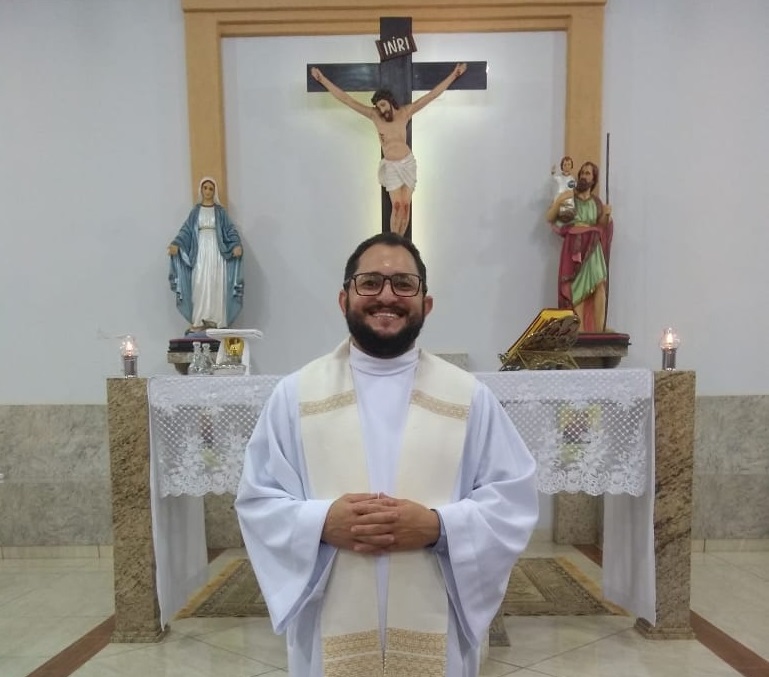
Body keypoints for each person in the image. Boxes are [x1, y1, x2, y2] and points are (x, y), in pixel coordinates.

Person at [235, 232, 539, 677]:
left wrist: (438, 527)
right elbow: (258, 500)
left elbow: (512, 501)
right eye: (370, 282)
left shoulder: (470, 398)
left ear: (426, 304)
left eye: (403, 284)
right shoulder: (295, 396)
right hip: (329, 626)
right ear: (344, 299)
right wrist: (322, 523)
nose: (387, 296)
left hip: (435, 631)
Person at [310, 64, 468, 236]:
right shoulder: (375, 116)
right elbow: (347, 100)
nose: (382, 109)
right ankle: (394, 239)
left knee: (406, 206)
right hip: (391, 165)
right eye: (379, 107)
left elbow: (431, 96)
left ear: (391, 102)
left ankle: (401, 242)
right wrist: (322, 79)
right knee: (397, 206)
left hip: (407, 163)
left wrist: (454, 75)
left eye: (384, 105)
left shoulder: (405, 112)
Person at [167, 177, 244, 332]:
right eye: (205, 188)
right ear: (201, 190)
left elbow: (230, 230)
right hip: (200, 251)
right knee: (199, 282)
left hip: (217, 251)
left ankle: (217, 320)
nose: (208, 191)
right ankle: (199, 320)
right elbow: (186, 231)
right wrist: (176, 244)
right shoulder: (195, 212)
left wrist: (236, 245)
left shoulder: (220, 212)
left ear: (214, 192)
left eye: (211, 188)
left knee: (216, 282)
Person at [545, 161, 614, 332]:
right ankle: (581, 331)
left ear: (594, 179)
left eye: (588, 173)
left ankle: (599, 330)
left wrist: (606, 214)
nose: (583, 176)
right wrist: (559, 201)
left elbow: (601, 225)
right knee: (578, 289)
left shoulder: (596, 202)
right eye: (582, 173)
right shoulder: (570, 199)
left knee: (599, 284)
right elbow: (550, 217)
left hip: (593, 247)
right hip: (575, 246)